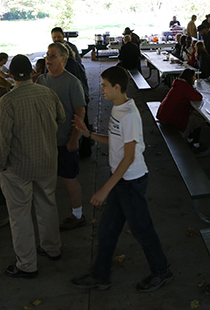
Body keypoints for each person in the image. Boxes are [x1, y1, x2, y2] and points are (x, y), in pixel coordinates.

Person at [71, 66, 172, 292]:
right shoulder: (118, 108)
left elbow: (128, 157)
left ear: (117, 87)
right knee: (107, 229)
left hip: (131, 181)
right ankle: (100, 275)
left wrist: (105, 189)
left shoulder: (129, 116)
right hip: (120, 181)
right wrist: (88, 134)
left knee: (142, 230)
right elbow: (115, 141)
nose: (102, 89)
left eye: (105, 85)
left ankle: (162, 271)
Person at [0, 55, 65, 278]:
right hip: (47, 161)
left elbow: (1, 140)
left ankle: (27, 264)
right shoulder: (47, 93)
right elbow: (61, 118)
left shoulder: (7, 102)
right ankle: (52, 248)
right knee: (48, 205)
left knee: (20, 215)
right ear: (32, 73)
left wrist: (1, 164)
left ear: (12, 76)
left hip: (18, 167)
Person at [37, 43, 87, 230]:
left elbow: (79, 113)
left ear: (64, 59)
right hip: (46, 140)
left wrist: (74, 138)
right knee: (47, 180)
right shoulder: (41, 81)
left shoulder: (72, 83)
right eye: (47, 55)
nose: (48, 59)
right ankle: (47, 215)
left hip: (65, 140)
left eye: (53, 56)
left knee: (69, 179)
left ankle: (78, 214)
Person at [157, 68, 206, 151]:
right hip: (170, 119)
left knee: (192, 114)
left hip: (164, 114)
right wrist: (194, 90)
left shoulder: (179, 84)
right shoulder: (184, 87)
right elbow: (198, 97)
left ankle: (190, 139)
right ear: (189, 78)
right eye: (194, 77)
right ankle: (196, 144)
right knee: (199, 118)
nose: (195, 79)